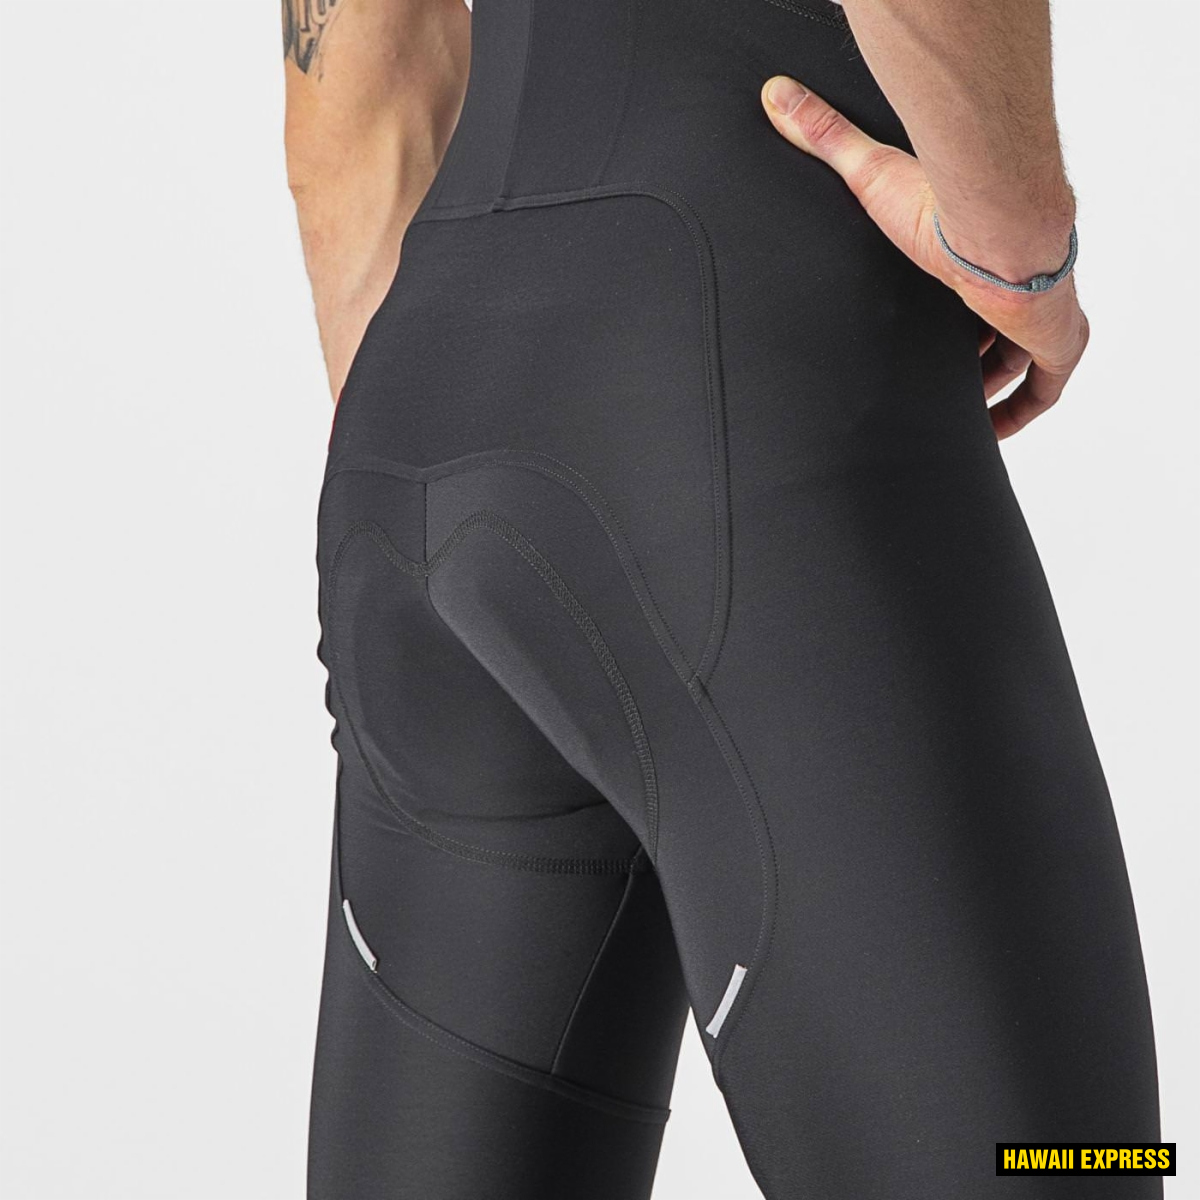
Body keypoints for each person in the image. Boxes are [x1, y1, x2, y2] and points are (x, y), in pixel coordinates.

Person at [284, 0, 1160, 1195]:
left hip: (417, 421)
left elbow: (349, 100)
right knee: (1069, 1167)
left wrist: (465, 397)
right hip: (750, 406)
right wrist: (1019, 251)